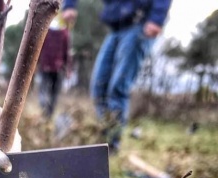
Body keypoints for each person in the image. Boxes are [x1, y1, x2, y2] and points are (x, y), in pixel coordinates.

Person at [62, 0, 172, 152]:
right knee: (98, 87)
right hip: (115, 28)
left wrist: (157, 18)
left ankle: (112, 143)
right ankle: (105, 135)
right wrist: (69, 5)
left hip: (140, 23)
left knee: (118, 87)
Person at [38, 18, 72, 118]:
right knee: (51, 91)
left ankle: (46, 112)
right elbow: (67, 52)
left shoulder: (46, 31)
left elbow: (66, 52)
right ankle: (48, 112)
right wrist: (68, 68)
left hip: (49, 66)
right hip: (55, 66)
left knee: (47, 90)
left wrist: (68, 68)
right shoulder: (64, 33)